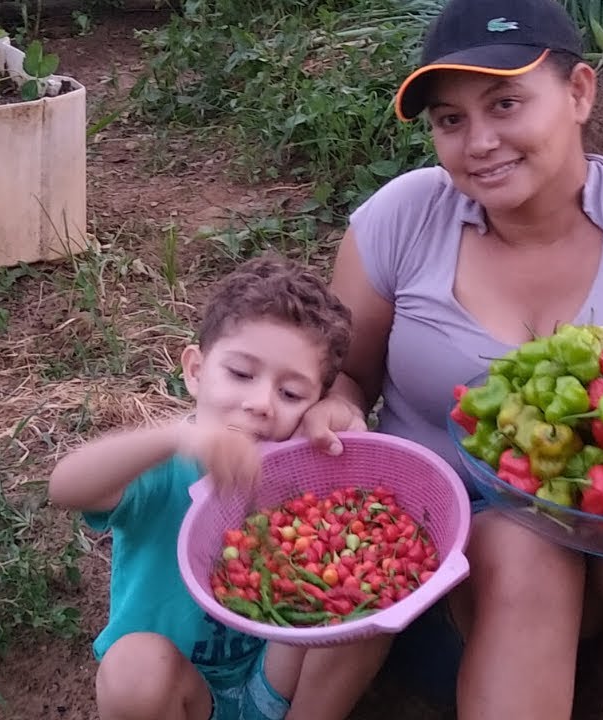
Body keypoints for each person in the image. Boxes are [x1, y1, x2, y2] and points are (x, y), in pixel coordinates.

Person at [297, 0, 603, 717]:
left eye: (505, 103)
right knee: (525, 546)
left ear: (579, 92)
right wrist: (336, 405)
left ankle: (599, 678)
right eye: (450, 120)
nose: (480, 142)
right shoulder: (402, 217)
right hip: (426, 542)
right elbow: (349, 374)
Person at [48, 255, 391, 720]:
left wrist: (341, 421)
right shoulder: (168, 467)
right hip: (181, 688)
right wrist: (173, 439)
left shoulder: (305, 472)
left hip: (274, 677)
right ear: (195, 371)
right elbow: (65, 487)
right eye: (241, 374)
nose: (260, 403)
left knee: (370, 601)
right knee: (132, 668)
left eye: (291, 394)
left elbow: (365, 513)